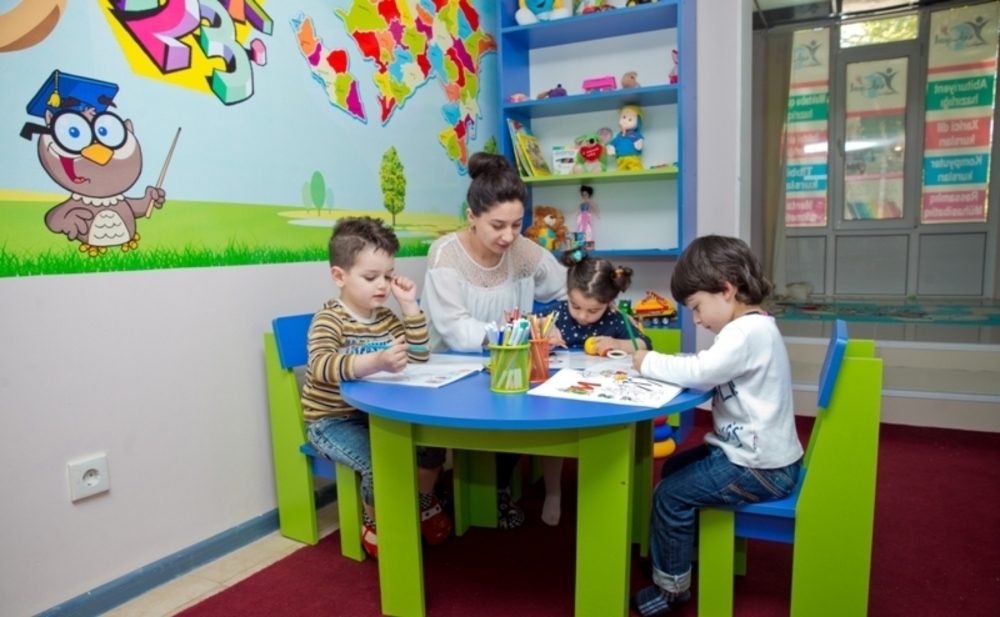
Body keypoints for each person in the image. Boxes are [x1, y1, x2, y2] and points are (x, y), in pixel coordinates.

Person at [628, 235, 803, 616]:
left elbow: (703, 371)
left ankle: (672, 589)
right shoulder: (753, 326)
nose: (696, 319)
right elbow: (708, 367)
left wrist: (647, 361)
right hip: (756, 455)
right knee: (674, 469)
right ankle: (677, 556)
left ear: (725, 290)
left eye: (696, 307)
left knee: (669, 495)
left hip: (759, 466)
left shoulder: (746, 332)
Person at [423, 152, 567, 530]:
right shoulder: (445, 253)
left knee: (523, 405)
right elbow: (455, 330)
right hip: (447, 368)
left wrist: (562, 323)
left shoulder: (523, 250)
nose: (508, 236)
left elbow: (567, 288)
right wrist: (514, 333)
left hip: (504, 367)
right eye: (497, 225)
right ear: (471, 216)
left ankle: (498, 486)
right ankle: (444, 489)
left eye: (517, 224)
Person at [302, 216, 452, 559]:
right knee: (379, 461)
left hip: (376, 416)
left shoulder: (385, 317)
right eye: (371, 278)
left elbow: (419, 355)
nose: (382, 285)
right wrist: (374, 362)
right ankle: (376, 522)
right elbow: (321, 365)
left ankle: (422, 500)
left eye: (387, 275)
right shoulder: (330, 319)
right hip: (331, 421)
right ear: (339, 276)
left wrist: (409, 305)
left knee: (431, 445)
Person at [537, 249, 652, 526]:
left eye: (593, 310)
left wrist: (619, 343)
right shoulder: (557, 314)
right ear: (567, 293)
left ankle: (605, 486)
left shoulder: (614, 319)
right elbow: (528, 325)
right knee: (554, 436)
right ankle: (553, 492)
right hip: (560, 394)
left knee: (608, 438)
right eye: (576, 306)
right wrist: (542, 333)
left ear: (609, 303)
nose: (583, 317)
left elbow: (645, 344)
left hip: (602, 393)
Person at [576, 185, 600, 249]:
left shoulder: (589, 203)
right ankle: (580, 245)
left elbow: (595, 208)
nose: (584, 196)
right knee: (580, 229)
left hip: (587, 217)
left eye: (586, 195)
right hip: (581, 217)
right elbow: (578, 210)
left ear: (589, 195)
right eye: (583, 195)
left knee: (588, 230)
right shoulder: (581, 204)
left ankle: (588, 244)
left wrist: (598, 215)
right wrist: (575, 214)